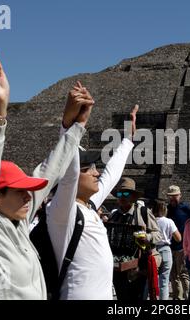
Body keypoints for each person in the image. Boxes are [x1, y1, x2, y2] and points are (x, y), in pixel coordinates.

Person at [0, 50, 94, 300]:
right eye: (19, 190)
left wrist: (75, 127)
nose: (28, 196)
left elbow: (50, 170)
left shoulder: (19, 223)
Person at [46, 102, 137, 300]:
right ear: (71, 176)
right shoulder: (62, 211)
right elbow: (67, 165)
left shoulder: (87, 206)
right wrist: (69, 127)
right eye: (89, 169)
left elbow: (111, 175)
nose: (97, 173)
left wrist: (129, 140)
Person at [108, 177, 162, 301]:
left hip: (139, 268)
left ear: (133, 197)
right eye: (120, 194)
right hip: (119, 268)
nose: (122, 196)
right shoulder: (114, 216)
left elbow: (158, 235)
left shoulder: (143, 212)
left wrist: (147, 237)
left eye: (126, 193)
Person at [166, 185, 190, 300]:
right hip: (170, 246)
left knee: (183, 274)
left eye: (175, 196)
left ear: (180, 196)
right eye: (170, 196)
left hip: (182, 247)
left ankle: (188, 297)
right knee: (173, 275)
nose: (172, 198)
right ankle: (178, 298)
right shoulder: (166, 209)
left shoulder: (186, 208)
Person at [153, 199, 181, 300]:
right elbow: (178, 238)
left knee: (151, 279)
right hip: (165, 249)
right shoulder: (169, 221)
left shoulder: (151, 220)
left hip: (152, 250)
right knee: (164, 282)